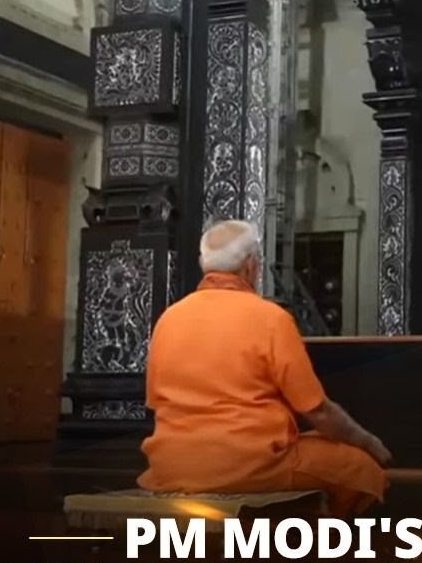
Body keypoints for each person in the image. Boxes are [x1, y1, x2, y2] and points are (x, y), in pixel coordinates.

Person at [137, 220, 391, 516]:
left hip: (171, 466)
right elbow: (317, 411)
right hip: (247, 466)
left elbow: (155, 402)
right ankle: (304, 550)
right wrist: (367, 441)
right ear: (250, 266)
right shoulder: (271, 318)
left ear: (203, 265)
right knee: (361, 469)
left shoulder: (169, 319)